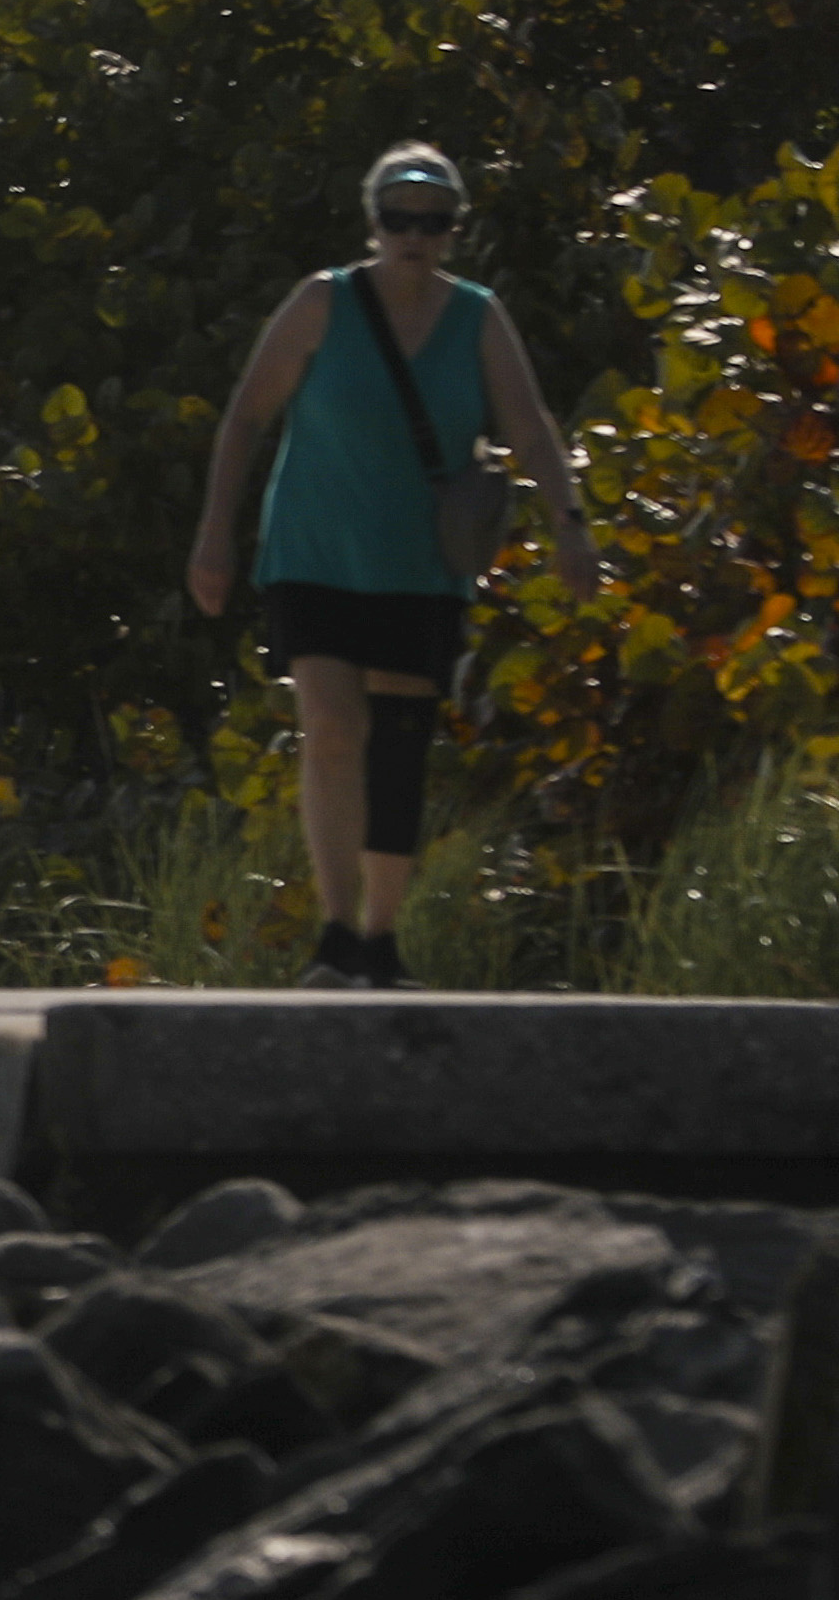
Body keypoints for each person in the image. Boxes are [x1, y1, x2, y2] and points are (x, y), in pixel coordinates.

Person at [184, 142, 582, 989]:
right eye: (398, 217)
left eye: (431, 220)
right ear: (374, 222)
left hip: (419, 565)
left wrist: (571, 527)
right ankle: (333, 933)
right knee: (330, 728)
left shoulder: (478, 315)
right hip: (315, 551)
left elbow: (532, 425)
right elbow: (247, 417)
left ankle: (380, 937)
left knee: (400, 745)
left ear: (454, 229)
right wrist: (215, 532)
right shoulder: (321, 303)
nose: (414, 234)